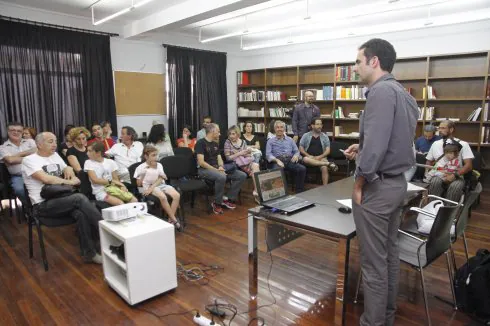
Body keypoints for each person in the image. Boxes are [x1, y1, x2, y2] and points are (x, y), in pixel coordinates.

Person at [343, 38, 418, 326]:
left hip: (377, 187)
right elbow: (395, 141)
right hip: (397, 184)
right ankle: (386, 317)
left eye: (359, 61)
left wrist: (359, 183)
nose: (356, 67)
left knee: (373, 264)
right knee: (388, 256)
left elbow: (376, 148)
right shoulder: (403, 94)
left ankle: (373, 322)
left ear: (374, 61)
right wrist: (362, 149)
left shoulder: (378, 93)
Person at [22, 132, 102, 264]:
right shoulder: (29, 160)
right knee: (79, 198)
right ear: (39, 144)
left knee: (81, 213)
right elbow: (46, 178)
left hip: (61, 199)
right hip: (42, 206)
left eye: (55, 141)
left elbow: (66, 167)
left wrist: (69, 168)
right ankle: (105, 229)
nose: (54, 144)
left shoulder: (54, 155)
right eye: (50, 141)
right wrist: (71, 182)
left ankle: (89, 254)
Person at [195, 123, 247, 215]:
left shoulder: (215, 143)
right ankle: (217, 203)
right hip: (203, 170)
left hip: (217, 169)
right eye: (218, 131)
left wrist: (221, 167)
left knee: (241, 175)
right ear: (212, 131)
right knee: (222, 177)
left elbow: (219, 158)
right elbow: (201, 162)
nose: (220, 134)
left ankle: (227, 198)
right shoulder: (200, 143)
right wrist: (216, 170)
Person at [134, 145, 182, 230]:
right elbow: (138, 184)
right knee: (162, 197)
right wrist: (143, 174)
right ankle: (175, 220)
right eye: (153, 155)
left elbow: (161, 178)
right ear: (146, 156)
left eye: (156, 155)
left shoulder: (159, 165)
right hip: (147, 187)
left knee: (176, 195)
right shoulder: (140, 167)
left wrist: (152, 187)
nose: (156, 157)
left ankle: (170, 220)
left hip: (157, 185)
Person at [426, 120, 473, 201]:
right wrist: (427, 173)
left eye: (443, 128)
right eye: (439, 128)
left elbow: (469, 166)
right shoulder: (435, 144)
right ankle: (432, 207)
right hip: (439, 174)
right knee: (434, 182)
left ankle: (449, 211)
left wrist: (454, 175)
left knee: (455, 187)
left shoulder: (463, 144)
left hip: (456, 175)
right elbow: (429, 161)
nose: (440, 130)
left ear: (451, 130)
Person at [266, 120, 306, 193]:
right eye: (277, 127)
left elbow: (296, 151)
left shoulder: (290, 140)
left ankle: (299, 191)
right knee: (276, 171)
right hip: (277, 161)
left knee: (302, 169)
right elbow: (268, 154)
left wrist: (296, 156)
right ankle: (279, 193)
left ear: (284, 129)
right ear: (275, 129)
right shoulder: (270, 141)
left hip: (290, 160)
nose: (279, 129)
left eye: (281, 127)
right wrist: (277, 160)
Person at [0, 122, 37, 201]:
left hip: (36, 172)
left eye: (19, 131)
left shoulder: (30, 141)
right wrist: (30, 155)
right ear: (8, 131)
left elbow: (38, 152)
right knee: (19, 190)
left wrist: (19, 154)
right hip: (18, 176)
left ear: (22, 132)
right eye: (12, 130)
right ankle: (29, 208)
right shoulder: (2, 147)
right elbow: (10, 160)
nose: (16, 132)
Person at [224, 125, 260, 203]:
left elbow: (247, 155)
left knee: (256, 166)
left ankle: (256, 191)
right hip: (234, 164)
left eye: (233, 134)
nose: (231, 136)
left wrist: (247, 152)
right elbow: (228, 158)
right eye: (230, 134)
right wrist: (240, 153)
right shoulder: (227, 142)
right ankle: (258, 193)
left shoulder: (243, 142)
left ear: (238, 134)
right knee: (254, 170)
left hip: (244, 161)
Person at [299, 118, 333, 185]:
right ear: (312, 126)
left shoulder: (325, 136)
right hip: (309, 158)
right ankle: (327, 163)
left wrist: (319, 157)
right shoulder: (305, 135)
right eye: (317, 124)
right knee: (305, 159)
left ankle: (325, 187)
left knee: (324, 168)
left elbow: (328, 151)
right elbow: (301, 148)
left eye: (321, 124)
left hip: (321, 158)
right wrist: (308, 155)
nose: (320, 126)